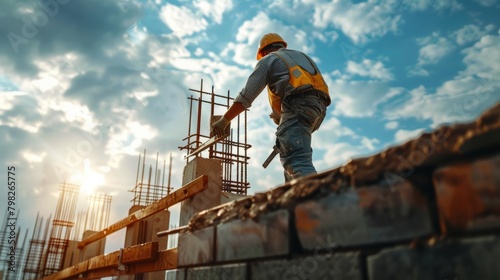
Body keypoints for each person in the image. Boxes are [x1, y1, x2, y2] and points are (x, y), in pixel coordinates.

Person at [211, 33, 331, 182]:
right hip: (318, 109)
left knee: (296, 160)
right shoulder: (301, 57)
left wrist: (224, 120)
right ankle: (294, 201)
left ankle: (315, 201)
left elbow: (247, 95)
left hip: (298, 106)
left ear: (263, 52)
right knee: (291, 154)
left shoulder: (270, 59)